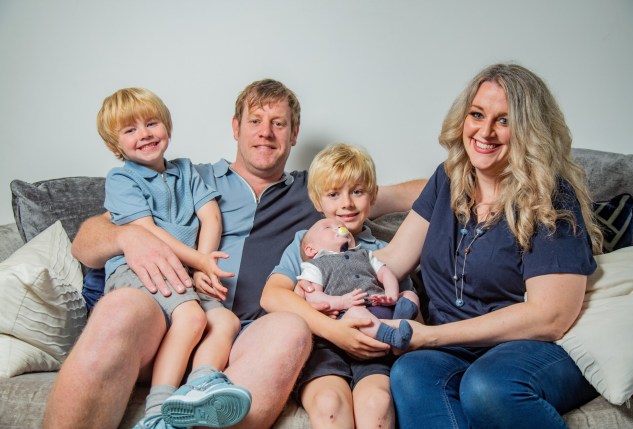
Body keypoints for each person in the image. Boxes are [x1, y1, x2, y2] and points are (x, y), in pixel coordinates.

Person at [43, 79, 424, 429]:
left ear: (294, 135)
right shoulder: (191, 178)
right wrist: (127, 237)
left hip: (252, 340)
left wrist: (471, 175)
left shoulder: (319, 192)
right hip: (175, 321)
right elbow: (86, 242)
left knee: (292, 329)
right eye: (255, 120)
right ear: (235, 127)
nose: (265, 132)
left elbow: (409, 195)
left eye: (279, 123)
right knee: (120, 308)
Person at [372, 63, 604, 429]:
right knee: (411, 373)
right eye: (477, 115)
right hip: (450, 350)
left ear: (529, 131)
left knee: (486, 386)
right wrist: (309, 270)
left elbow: (551, 317)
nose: (485, 131)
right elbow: (391, 260)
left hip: (529, 349)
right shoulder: (448, 179)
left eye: (504, 121)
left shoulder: (551, 196)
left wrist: (432, 336)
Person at [96, 88, 251, 429]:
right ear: (115, 145)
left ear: (166, 126)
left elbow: (210, 216)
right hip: (140, 268)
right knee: (193, 318)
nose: (145, 134)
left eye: (151, 123)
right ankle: (156, 413)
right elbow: (149, 233)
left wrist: (205, 262)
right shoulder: (122, 178)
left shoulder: (185, 170)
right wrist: (199, 261)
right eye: (130, 130)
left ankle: (200, 385)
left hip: (183, 269)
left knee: (227, 321)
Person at [261, 143, 420, 429]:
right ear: (317, 201)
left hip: (375, 346)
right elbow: (272, 295)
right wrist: (335, 330)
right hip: (322, 347)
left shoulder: (386, 250)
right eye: (334, 194)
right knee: (329, 406)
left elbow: (408, 310)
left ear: (372, 196)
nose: (346, 204)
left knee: (377, 405)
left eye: (357, 192)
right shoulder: (305, 242)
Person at [298, 217, 413, 350]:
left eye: (341, 226)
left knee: (409, 294)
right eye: (328, 227)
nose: (339, 228)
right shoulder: (314, 266)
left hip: (380, 304)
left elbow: (385, 273)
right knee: (356, 311)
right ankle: (392, 336)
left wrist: (391, 295)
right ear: (311, 249)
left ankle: (399, 320)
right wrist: (341, 301)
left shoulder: (364, 254)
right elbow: (313, 296)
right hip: (351, 315)